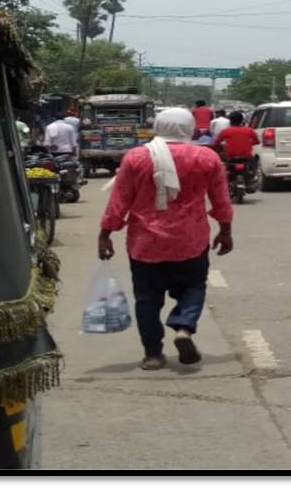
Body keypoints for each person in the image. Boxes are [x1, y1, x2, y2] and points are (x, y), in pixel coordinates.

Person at [99, 108, 234, 370]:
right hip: (190, 241)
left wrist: (105, 234)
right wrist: (225, 231)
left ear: (158, 127)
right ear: (190, 128)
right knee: (193, 287)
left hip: (145, 244)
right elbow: (221, 199)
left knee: (147, 299)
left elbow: (119, 201)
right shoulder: (206, 157)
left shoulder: (136, 157)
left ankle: (153, 355)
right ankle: (183, 327)